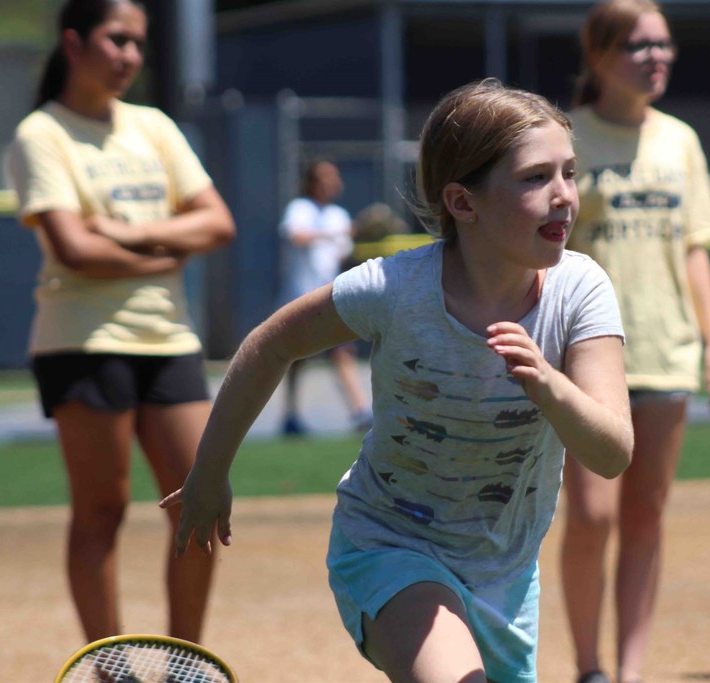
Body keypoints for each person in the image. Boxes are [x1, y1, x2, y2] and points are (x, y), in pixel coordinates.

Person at [160, 79, 635, 682]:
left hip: (505, 573)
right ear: (463, 203)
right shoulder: (393, 288)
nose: (564, 194)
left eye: (569, 172)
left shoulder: (581, 290)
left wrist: (550, 383)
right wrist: (208, 474)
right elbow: (269, 344)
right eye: (536, 177)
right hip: (388, 545)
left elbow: (613, 453)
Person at [5, 0, 235, 644]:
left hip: (168, 337)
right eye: (116, 39)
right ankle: (109, 665)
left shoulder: (153, 126)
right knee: (102, 511)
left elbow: (218, 222)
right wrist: (166, 250)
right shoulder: (41, 133)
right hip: (82, 341)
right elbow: (73, 250)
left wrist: (121, 232)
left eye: (138, 42)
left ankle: (186, 662)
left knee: (199, 502)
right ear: (74, 44)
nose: (130, 55)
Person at [558, 2, 710, 682]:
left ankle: (629, 670)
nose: (656, 56)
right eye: (638, 45)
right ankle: (589, 666)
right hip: (585, 354)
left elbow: (694, 248)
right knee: (591, 516)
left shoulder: (680, 141)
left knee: (646, 515)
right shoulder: (567, 137)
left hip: (665, 348)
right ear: (598, 56)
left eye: (663, 44)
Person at [277, 159, 373, 435]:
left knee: (342, 351)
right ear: (311, 183)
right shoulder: (300, 208)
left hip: (331, 298)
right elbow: (296, 236)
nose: (332, 182)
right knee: (297, 358)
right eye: (325, 178)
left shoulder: (338, 214)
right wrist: (336, 233)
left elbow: (341, 254)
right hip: (300, 297)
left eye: (334, 177)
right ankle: (290, 415)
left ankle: (360, 411)